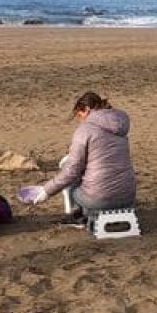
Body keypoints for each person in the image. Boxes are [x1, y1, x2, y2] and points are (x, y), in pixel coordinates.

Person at [24, 92, 136, 227]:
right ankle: (93, 211)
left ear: (86, 110)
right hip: (128, 197)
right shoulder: (121, 125)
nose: (80, 120)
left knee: (71, 177)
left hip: (100, 199)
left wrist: (46, 191)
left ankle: (78, 217)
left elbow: (71, 171)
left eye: (79, 115)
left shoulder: (85, 130)